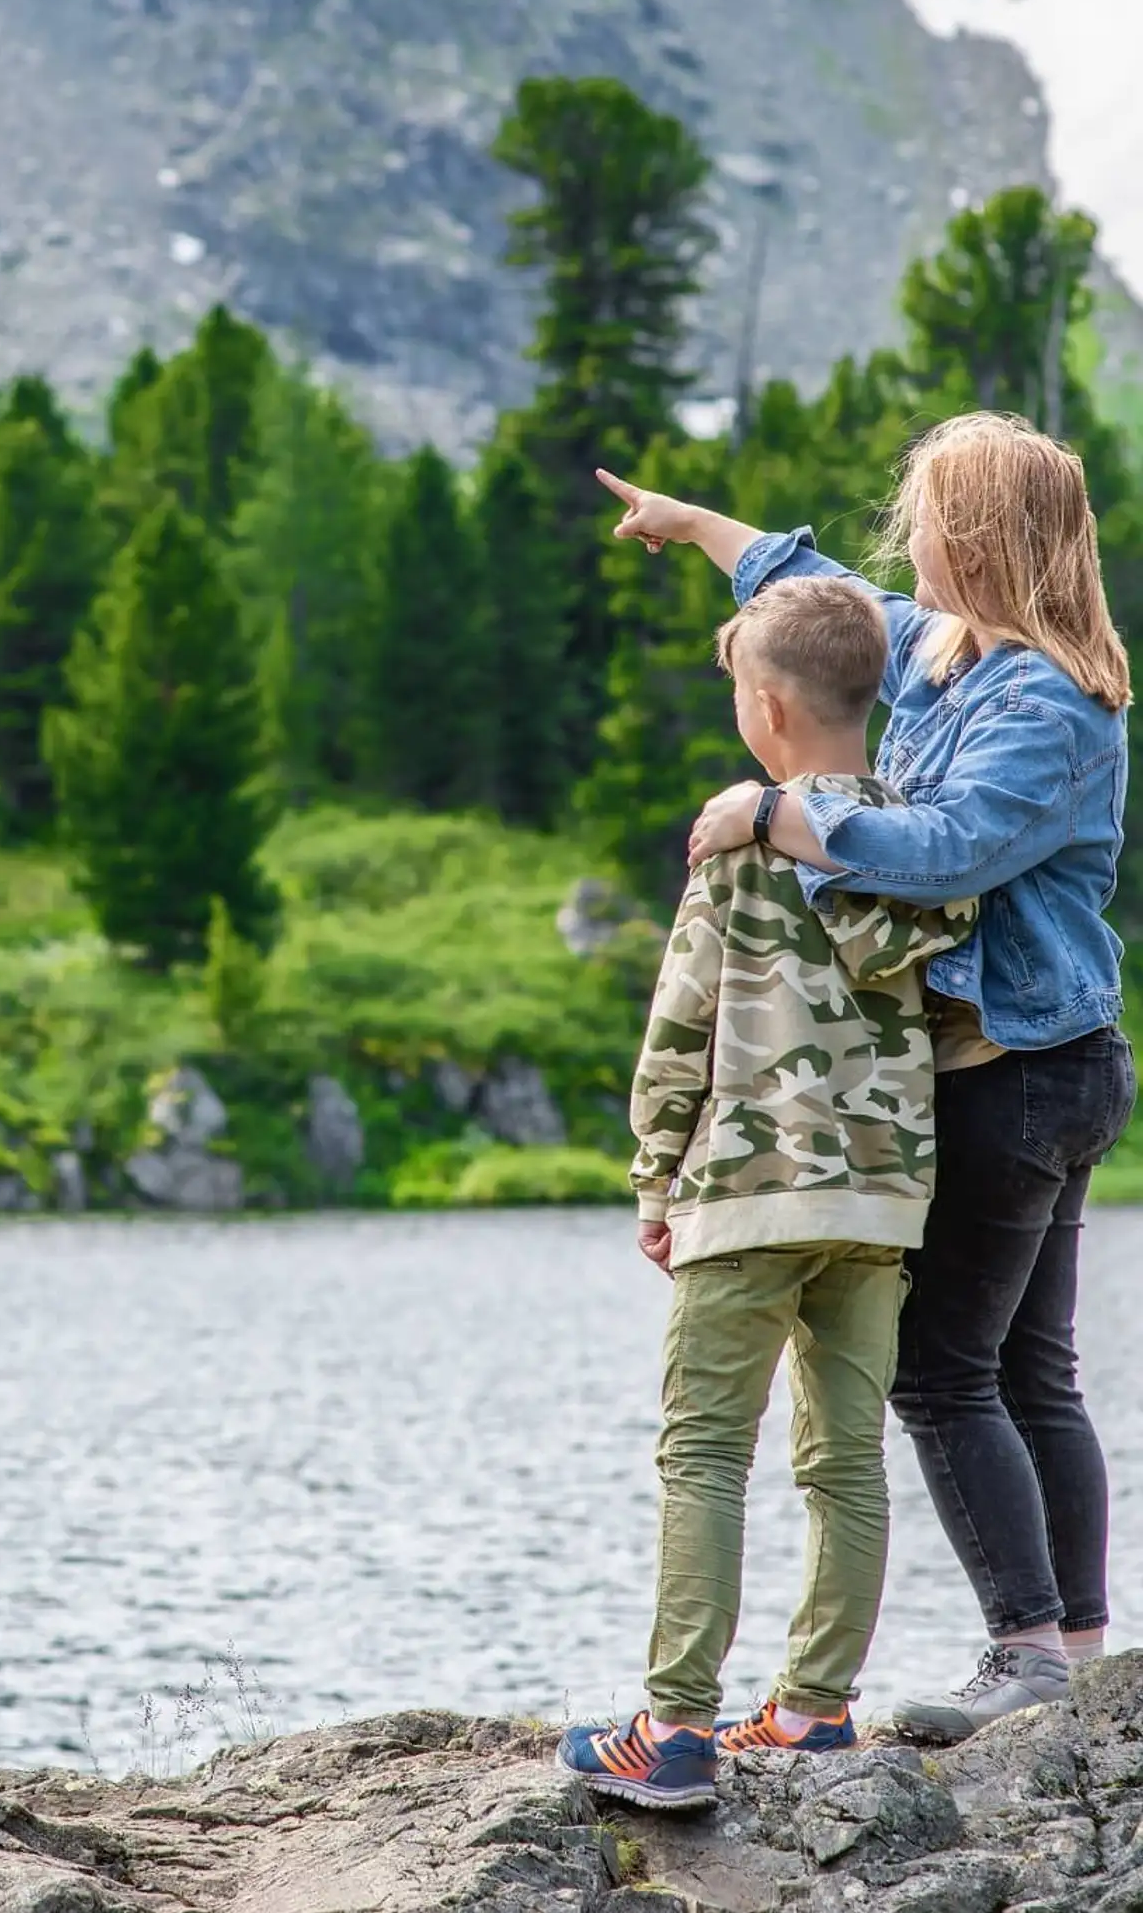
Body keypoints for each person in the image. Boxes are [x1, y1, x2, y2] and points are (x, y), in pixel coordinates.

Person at [597, 412, 1135, 1746]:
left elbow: (947, 850)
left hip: (1019, 1065)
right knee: (1030, 1362)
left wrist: (772, 812)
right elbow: (823, 602)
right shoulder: (953, 652)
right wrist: (694, 523)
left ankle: (1028, 1648)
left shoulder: (1048, 703)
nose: (911, 537)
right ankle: (1076, 1652)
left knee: (947, 1372)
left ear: (985, 539)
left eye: (932, 516)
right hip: (1040, 1062)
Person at [557, 578, 974, 1812]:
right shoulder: (926, 844)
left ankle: (677, 1725)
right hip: (879, 1202)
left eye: (741, 690)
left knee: (704, 1452)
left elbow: (680, 1025)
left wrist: (654, 1175)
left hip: (745, 1192)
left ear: (771, 707)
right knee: (846, 1458)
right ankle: (814, 1705)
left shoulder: (737, 845)